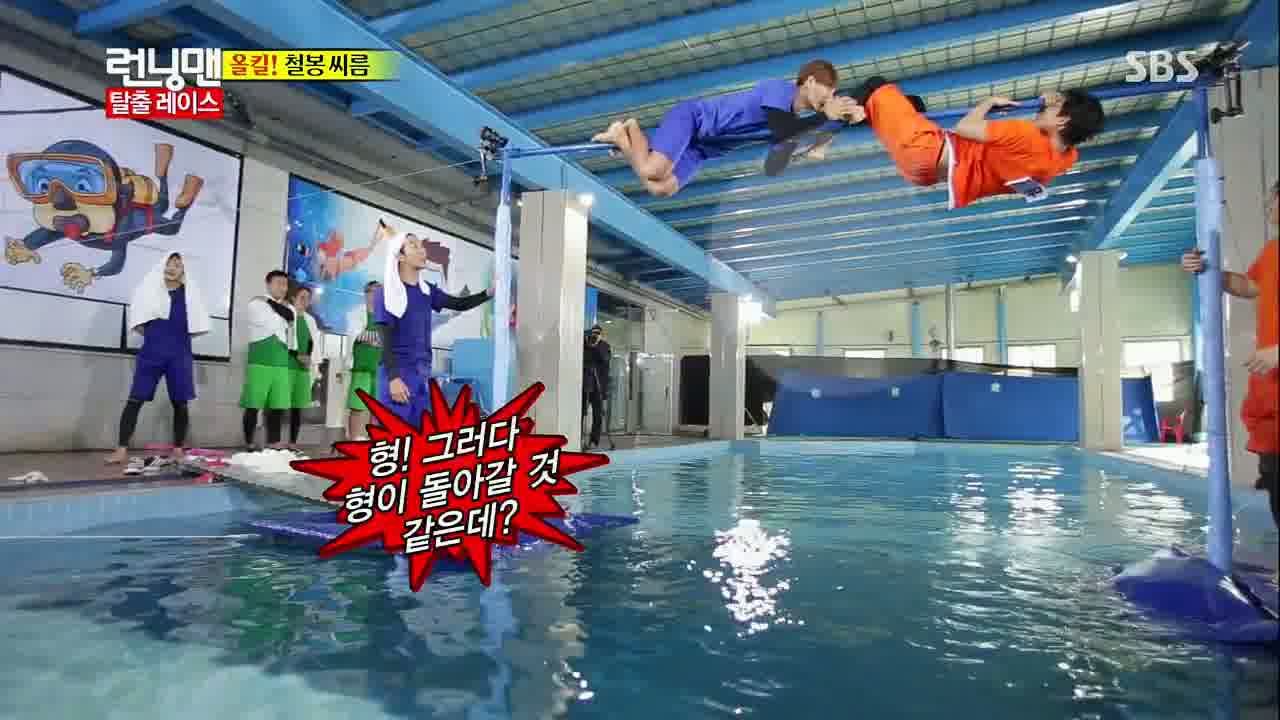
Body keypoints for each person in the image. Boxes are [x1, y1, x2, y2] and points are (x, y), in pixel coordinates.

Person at [591, 60, 858, 197]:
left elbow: (773, 168)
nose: (829, 97)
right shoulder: (779, 89)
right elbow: (782, 128)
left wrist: (821, 139)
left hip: (702, 150)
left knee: (661, 189)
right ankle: (629, 130)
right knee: (653, 170)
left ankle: (625, 137)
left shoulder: (793, 124)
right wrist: (825, 118)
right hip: (693, 120)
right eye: (827, 91)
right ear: (809, 81)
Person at [1181, 179, 1279, 538]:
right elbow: (1249, 287)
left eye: (1271, 201)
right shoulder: (1273, 251)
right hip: (1271, 389)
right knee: (1274, 478)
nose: (1267, 208)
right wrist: (1210, 272)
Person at [845, 77, 1105, 209]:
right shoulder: (1064, 160)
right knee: (913, 106)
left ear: (1063, 120)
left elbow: (965, 127)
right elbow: (1059, 138)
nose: (1043, 109)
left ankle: (831, 117)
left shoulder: (1023, 133)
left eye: (1053, 107)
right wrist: (1052, 105)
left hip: (924, 148)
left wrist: (988, 102)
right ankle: (863, 115)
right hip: (924, 175)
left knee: (876, 86)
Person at [373, 231, 492, 424]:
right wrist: (393, 379)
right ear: (400, 256)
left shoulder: (427, 290)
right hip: (397, 375)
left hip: (421, 376)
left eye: (421, 245)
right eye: (413, 245)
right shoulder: (386, 292)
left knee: (418, 435)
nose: (422, 250)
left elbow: (459, 304)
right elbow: (385, 340)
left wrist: (488, 293)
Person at [106, 252, 210, 466]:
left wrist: (176, 340)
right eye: (169, 263)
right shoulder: (150, 291)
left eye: (178, 265)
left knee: (180, 403)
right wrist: (155, 337)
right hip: (151, 353)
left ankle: (178, 449)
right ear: (162, 265)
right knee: (134, 400)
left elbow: (197, 323)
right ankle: (121, 449)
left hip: (179, 354)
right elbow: (138, 321)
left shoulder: (189, 294)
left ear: (183, 271)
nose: (172, 268)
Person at [240, 270, 295, 449]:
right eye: (278, 283)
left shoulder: (288, 308)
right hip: (260, 360)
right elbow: (273, 323)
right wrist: (282, 313)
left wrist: (277, 307)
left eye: (285, 284)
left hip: (281, 361)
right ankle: (249, 442)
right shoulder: (256, 304)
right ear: (268, 284)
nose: (283, 288)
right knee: (253, 405)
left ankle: (274, 443)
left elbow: (290, 325)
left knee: (277, 406)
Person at [344, 281, 382, 440]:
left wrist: (375, 339)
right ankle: (353, 441)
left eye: (379, 292)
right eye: (371, 292)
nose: (375, 296)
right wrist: (376, 338)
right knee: (357, 407)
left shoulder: (386, 316)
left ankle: (374, 442)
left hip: (381, 369)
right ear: (366, 294)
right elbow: (355, 334)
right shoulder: (355, 313)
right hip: (362, 368)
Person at [286, 284, 321, 449]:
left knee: (297, 408)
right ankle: (274, 443)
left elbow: (313, 343)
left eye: (308, 299)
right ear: (293, 298)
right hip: (286, 367)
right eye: (302, 297)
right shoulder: (286, 315)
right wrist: (297, 356)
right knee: (278, 405)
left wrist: (310, 359)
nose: (305, 301)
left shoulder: (310, 320)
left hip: (303, 370)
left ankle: (292, 443)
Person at [582, 324, 611, 449]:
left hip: (599, 386)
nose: (594, 336)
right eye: (593, 333)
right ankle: (579, 438)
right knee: (581, 413)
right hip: (585, 385)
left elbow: (604, 359)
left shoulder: (604, 346)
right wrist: (588, 345)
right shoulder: (584, 345)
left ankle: (594, 440)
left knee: (597, 415)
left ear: (601, 335)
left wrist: (596, 346)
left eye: (597, 334)